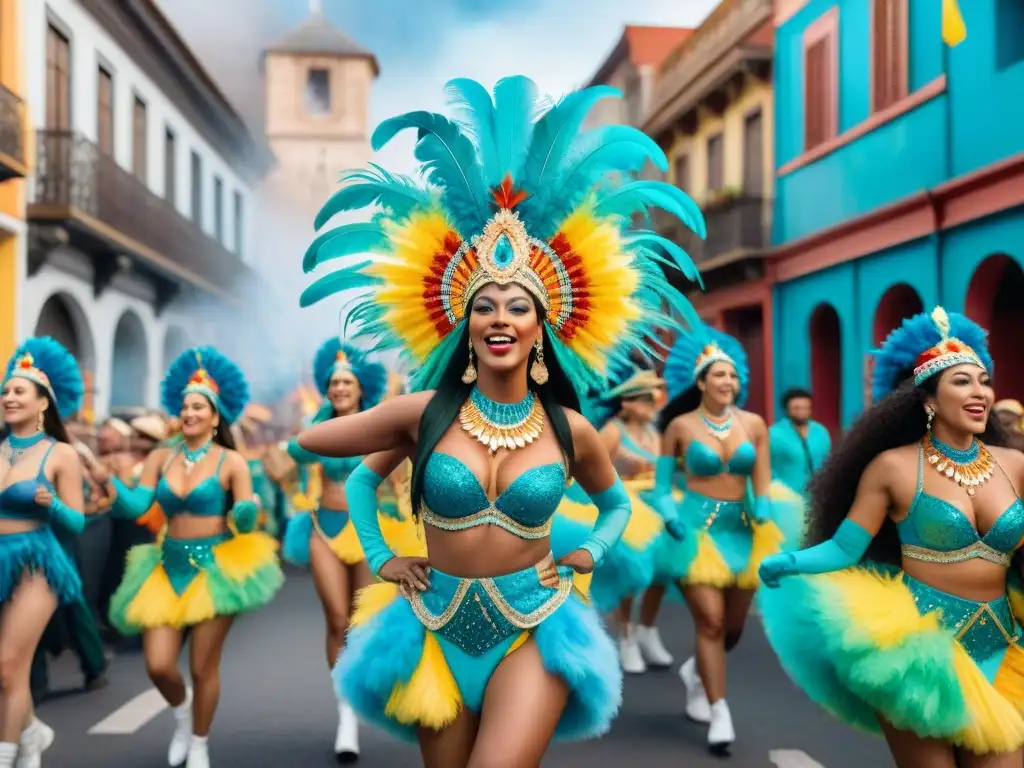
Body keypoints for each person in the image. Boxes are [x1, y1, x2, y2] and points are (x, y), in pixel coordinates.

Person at [295, 74, 705, 766]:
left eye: (518, 307)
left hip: (533, 625)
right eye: (485, 306)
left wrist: (589, 555)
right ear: (465, 323)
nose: (501, 319)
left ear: (542, 329)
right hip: (435, 623)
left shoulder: (570, 430)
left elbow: (611, 509)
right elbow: (323, 450)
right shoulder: (427, 413)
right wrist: (382, 553)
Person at [759, 307, 1024, 768]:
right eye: (962, 382)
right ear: (928, 401)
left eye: (983, 380)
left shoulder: (1016, 464)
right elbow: (845, 547)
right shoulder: (893, 468)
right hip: (919, 653)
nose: (979, 391)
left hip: (1002, 647)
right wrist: (789, 562)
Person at [101, 347, 284, 768]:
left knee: (203, 667)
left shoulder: (232, 461)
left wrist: (245, 511)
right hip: (166, 565)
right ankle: (183, 714)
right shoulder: (161, 457)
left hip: (216, 568)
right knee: (159, 665)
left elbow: (245, 518)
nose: (189, 412)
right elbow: (137, 506)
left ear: (215, 417)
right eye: (184, 406)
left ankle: (199, 742)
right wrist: (110, 486)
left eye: (198, 406)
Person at [650, 323, 801, 754]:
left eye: (734, 376)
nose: (728, 382)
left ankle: (696, 670)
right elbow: (662, 486)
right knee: (711, 623)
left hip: (743, 532)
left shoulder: (754, 424)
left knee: (732, 631)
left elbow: (763, 481)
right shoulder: (679, 426)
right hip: (695, 531)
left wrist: (765, 512)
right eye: (719, 375)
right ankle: (720, 711)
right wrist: (668, 516)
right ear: (701, 382)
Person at [280, 338, 405, 761]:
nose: (338, 388)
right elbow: (297, 451)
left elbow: (398, 471)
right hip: (324, 525)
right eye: (332, 382)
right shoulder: (322, 424)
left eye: (346, 381)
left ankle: (365, 689)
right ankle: (346, 713)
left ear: (360, 387)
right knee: (335, 619)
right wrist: (319, 417)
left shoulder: (377, 423)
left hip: (367, 528)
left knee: (359, 620)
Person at [0, 337, 86, 768]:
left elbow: (78, 522)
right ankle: (32, 734)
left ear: (42, 404)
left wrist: (51, 503)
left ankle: (8, 754)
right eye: (6, 391)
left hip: (37, 560)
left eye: (19, 391)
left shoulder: (62, 454)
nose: (9, 397)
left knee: (7, 665)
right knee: (7, 670)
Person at [549, 361, 667, 674]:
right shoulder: (613, 431)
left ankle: (647, 629)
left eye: (653, 398)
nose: (651, 404)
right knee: (627, 576)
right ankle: (626, 637)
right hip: (627, 510)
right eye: (644, 398)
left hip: (655, 509)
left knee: (657, 577)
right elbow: (589, 470)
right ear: (627, 403)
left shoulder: (655, 434)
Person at [769, 387, 831, 495]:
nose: (801, 412)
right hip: (786, 498)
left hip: (818, 497)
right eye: (796, 408)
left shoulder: (821, 432)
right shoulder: (773, 434)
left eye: (805, 408)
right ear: (786, 409)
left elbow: (829, 462)